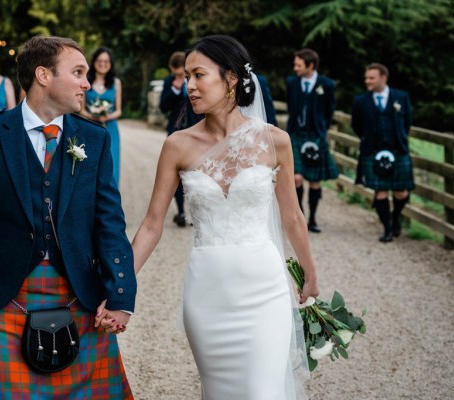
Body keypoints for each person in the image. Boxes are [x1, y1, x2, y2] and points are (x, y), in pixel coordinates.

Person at [0, 36, 137, 398]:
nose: (87, 84)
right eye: (78, 72)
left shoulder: (94, 138)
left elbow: (109, 223)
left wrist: (121, 294)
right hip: (2, 296)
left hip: (78, 293)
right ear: (43, 75)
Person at [131, 35, 318, 399]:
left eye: (199, 75)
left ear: (231, 78)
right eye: (187, 77)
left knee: (263, 392)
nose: (190, 86)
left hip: (265, 289)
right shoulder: (177, 145)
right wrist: (120, 285)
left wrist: (310, 275)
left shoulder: (275, 141)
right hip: (207, 294)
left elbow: (292, 216)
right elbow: (152, 225)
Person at [352, 63, 414, 242]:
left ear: (383, 78)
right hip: (373, 150)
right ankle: (387, 228)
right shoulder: (361, 101)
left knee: (401, 192)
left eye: (371, 78)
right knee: (380, 191)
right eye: (366, 78)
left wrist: (400, 138)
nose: (367, 81)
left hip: (397, 150)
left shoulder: (401, 97)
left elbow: (407, 122)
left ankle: (395, 219)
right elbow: (357, 125)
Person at [286, 48, 338, 233]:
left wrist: (322, 130)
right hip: (296, 135)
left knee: (315, 180)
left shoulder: (327, 84)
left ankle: (313, 219)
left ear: (310, 65)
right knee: (296, 177)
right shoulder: (292, 83)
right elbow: (292, 108)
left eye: (298, 65)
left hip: (316, 135)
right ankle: (299, 216)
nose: (295, 68)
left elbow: (329, 110)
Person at [159, 51, 202, 227]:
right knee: (177, 172)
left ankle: (197, 211)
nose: (177, 76)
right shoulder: (169, 82)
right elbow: (163, 106)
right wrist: (175, 88)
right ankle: (181, 211)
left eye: (180, 73)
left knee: (197, 171)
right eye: (174, 73)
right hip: (176, 130)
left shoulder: (196, 80)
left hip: (197, 129)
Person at [81, 47, 123, 185]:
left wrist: (106, 117)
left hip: (110, 128)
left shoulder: (116, 83)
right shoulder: (86, 81)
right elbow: (81, 110)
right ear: (94, 62)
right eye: (100, 60)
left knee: (112, 164)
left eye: (106, 61)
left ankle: (110, 199)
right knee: (90, 163)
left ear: (110, 64)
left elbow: (118, 111)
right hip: (90, 127)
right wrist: (94, 117)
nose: (103, 64)